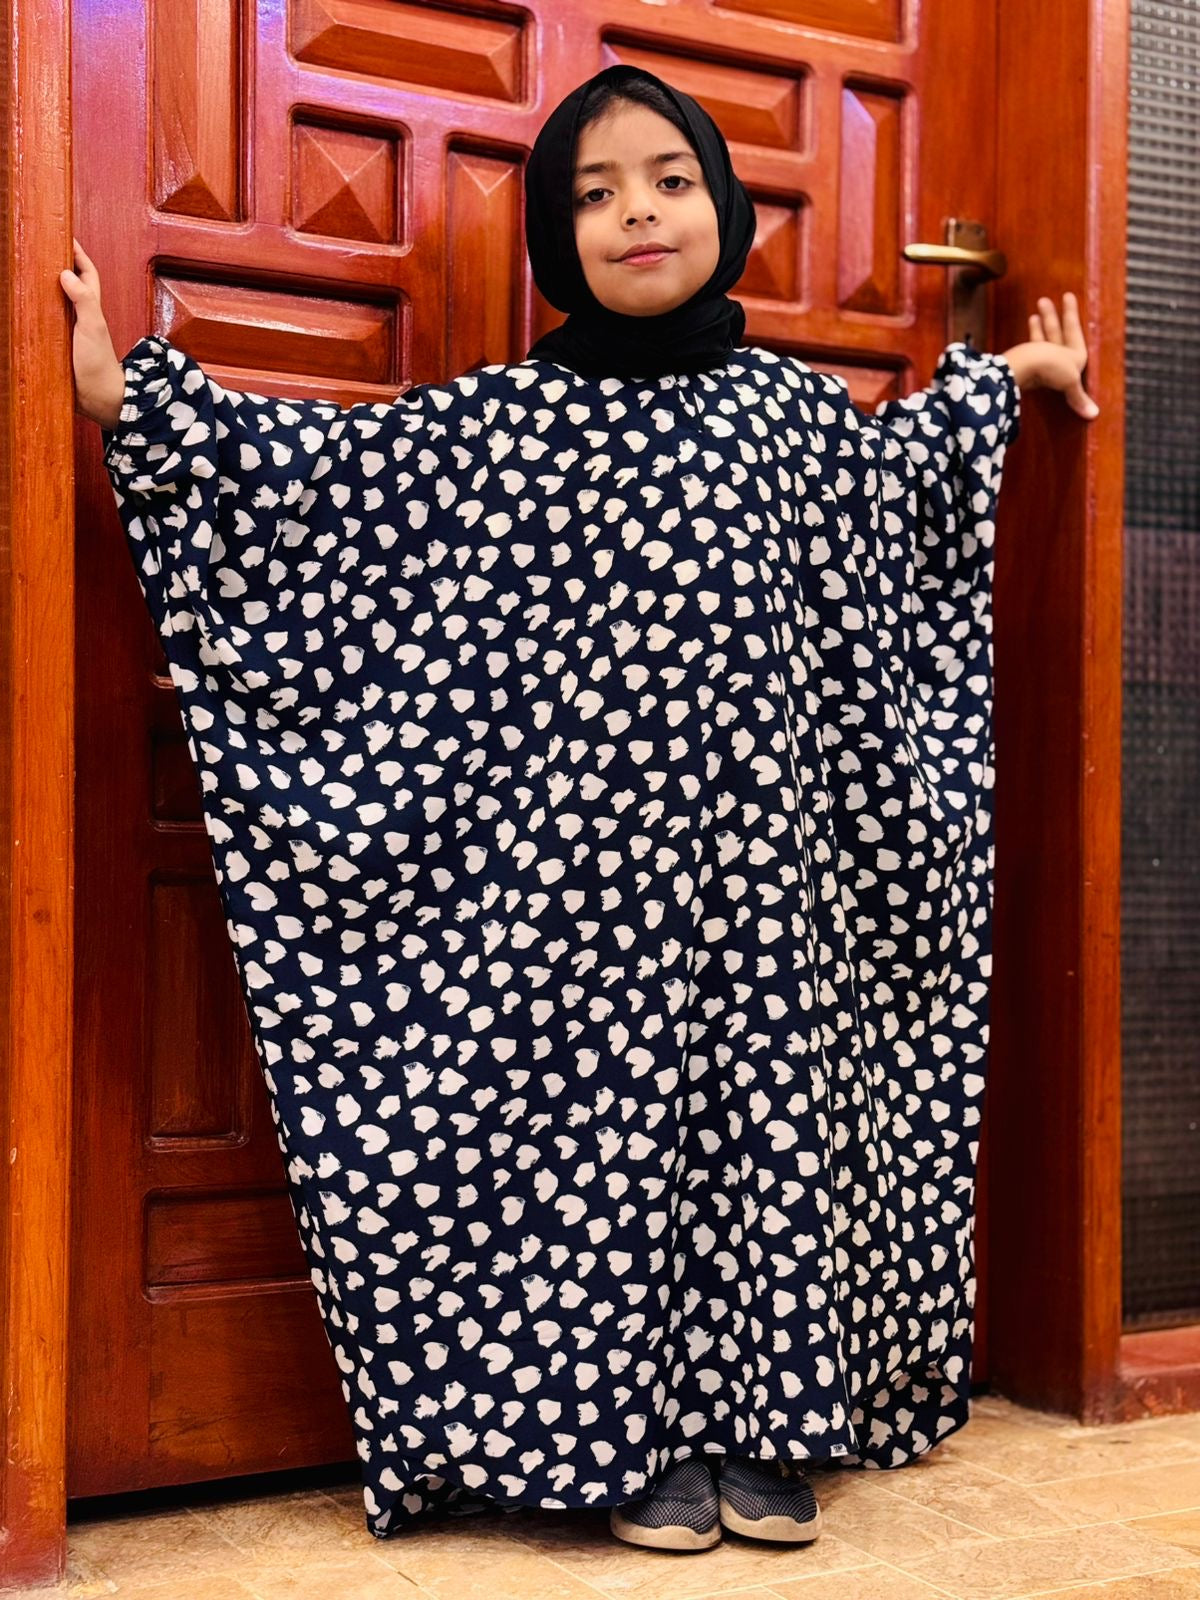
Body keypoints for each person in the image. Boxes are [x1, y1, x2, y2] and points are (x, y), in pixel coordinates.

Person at [60, 63, 1097, 1556]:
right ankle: (622, 1445)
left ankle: (764, 1426)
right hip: (577, 901)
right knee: (590, 1148)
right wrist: (141, 406)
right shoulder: (503, 426)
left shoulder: (798, 418)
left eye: (670, 181)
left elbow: (905, 477)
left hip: (770, 894)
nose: (638, 215)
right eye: (596, 195)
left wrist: (1009, 379)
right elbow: (325, 483)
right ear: (558, 234)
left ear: (723, 207)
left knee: (768, 1130)